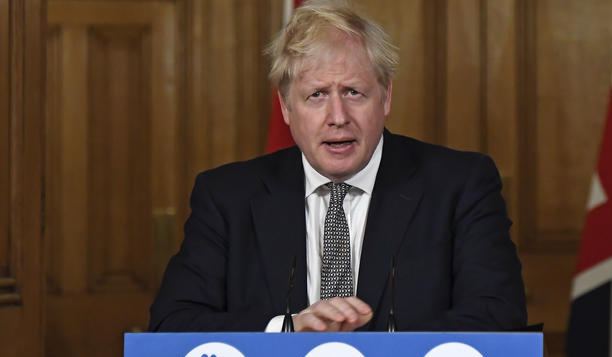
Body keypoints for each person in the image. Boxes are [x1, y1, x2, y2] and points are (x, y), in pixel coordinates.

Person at [149, 0, 526, 333]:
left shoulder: (460, 186)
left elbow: (499, 317)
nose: (338, 116)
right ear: (285, 107)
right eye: (316, 95)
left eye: (353, 92)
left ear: (386, 97)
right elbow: (172, 324)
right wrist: (286, 331)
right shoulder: (227, 197)